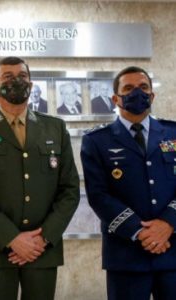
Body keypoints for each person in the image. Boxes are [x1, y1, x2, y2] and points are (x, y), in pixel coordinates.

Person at [0, 57, 80, 300]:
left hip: (42, 249)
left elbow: (69, 189)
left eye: (22, 76)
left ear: (31, 84)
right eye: (8, 77)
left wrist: (43, 237)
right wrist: (11, 238)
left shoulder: (54, 128)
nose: (17, 81)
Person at [81, 66, 176, 300]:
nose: (137, 93)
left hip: (172, 249)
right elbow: (98, 195)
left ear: (152, 96)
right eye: (129, 88)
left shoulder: (173, 134)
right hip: (125, 254)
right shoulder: (96, 141)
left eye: (143, 88)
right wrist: (141, 232)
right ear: (116, 98)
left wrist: (167, 224)